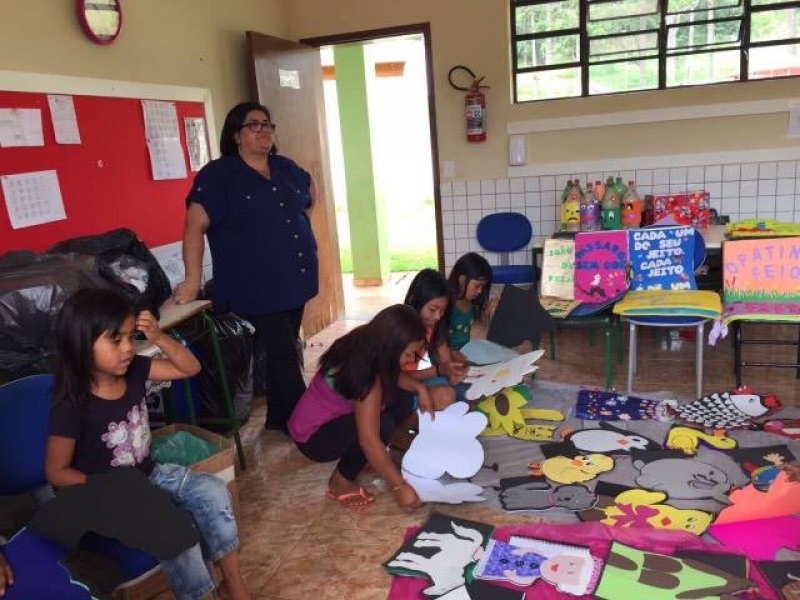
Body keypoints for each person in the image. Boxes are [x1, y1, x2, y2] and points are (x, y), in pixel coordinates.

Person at [45, 289, 251, 600]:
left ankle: (234, 585)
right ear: (80, 343)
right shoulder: (71, 405)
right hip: (105, 495)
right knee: (175, 532)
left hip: (150, 474)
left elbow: (189, 368)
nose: (128, 348)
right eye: (116, 340)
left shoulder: (135, 370)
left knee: (213, 491)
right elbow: (57, 472)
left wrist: (158, 337)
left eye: (131, 337)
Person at [174, 101, 317, 433]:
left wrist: (299, 226)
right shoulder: (219, 176)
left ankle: (279, 418)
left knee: (283, 348)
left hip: (296, 277)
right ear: (236, 135)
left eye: (267, 124)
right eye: (254, 124)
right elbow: (194, 226)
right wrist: (192, 281)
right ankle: (306, 425)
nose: (264, 130)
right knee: (283, 351)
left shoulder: (284, 167)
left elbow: (309, 193)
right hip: (256, 283)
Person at [287, 305, 454, 510]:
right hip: (313, 437)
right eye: (409, 353)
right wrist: (400, 487)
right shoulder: (364, 374)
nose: (411, 359)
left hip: (329, 421)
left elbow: (392, 374)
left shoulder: (368, 340)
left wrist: (419, 388)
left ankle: (380, 454)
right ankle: (340, 480)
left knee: (401, 397)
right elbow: (369, 440)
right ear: (391, 345)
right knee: (381, 426)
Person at [403, 269, 466, 387]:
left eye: (442, 311)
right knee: (444, 390)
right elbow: (397, 378)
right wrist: (439, 370)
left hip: (411, 381)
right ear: (414, 299)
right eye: (432, 309)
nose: (437, 317)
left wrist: (453, 372)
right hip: (394, 388)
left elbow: (446, 361)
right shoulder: (400, 330)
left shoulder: (431, 326)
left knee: (452, 386)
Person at [447, 252, 493, 353]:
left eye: (482, 287)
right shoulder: (447, 305)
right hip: (448, 357)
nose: (480, 291)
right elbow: (438, 344)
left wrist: (485, 312)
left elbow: (471, 324)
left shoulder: (472, 302)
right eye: (477, 286)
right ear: (462, 279)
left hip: (465, 353)